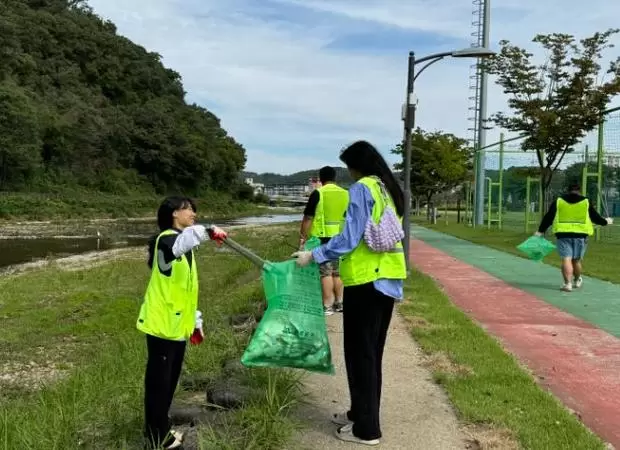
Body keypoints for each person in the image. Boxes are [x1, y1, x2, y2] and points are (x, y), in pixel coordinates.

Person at [292, 141, 407, 446]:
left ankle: (367, 430)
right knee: (369, 354)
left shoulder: (361, 189)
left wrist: (313, 255)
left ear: (358, 165)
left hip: (365, 282)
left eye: (350, 166)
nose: (350, 173)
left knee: (360, 355)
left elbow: (349, 238)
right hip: (387, 281)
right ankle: (359, 413)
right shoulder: (388, 189)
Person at [137, 196, 227, 449]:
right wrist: (209, 230)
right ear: (173, 214)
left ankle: (161, 427)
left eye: (194, 210)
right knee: (158, 384)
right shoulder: (165, 239)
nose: (193, 214)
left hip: (177, 326)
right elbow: (182, 241)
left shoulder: (185, 249)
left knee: (169, 382)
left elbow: (186, 290)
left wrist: (195, 321)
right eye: (188, 209)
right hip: (161, 325)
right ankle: (157, 437)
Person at [536, 183, 612, 292]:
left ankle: (568, 284)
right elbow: (595, 217)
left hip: (563, 234)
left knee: (566, 259)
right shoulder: (585, 201)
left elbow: (549, 217)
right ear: (579, 191)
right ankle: (577, 280)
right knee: (576, 260)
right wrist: (606, 221)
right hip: (581, 235)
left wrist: (540, 231)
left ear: (568, 190)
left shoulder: (559, 201)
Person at [299, 166, 350, 315]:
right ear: (335, 178)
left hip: (323, 240)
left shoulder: (318, 193)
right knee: (338, 273)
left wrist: (303, 237)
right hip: (342, 239)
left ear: (321, 179)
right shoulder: (346, 194)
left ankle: (327, 305)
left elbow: (308, 217)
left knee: (325, 273)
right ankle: (340, 303)